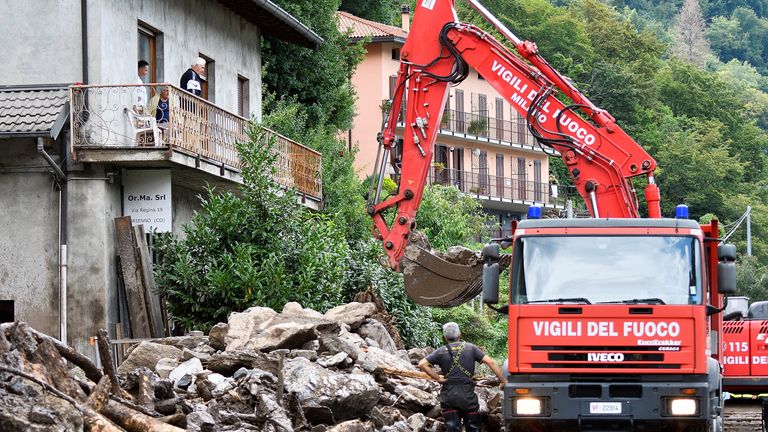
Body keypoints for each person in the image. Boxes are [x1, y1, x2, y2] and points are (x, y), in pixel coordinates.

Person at [418, 322, 507, 432]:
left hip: (448, 397)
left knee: (452, 429)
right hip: (468, 397)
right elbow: (491, 363)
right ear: (460, 335)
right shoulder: (471, 348)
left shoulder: (440, 351)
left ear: (445, 337)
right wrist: (503, 381)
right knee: (473, 429)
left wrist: (438, 378)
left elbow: (422, 364)